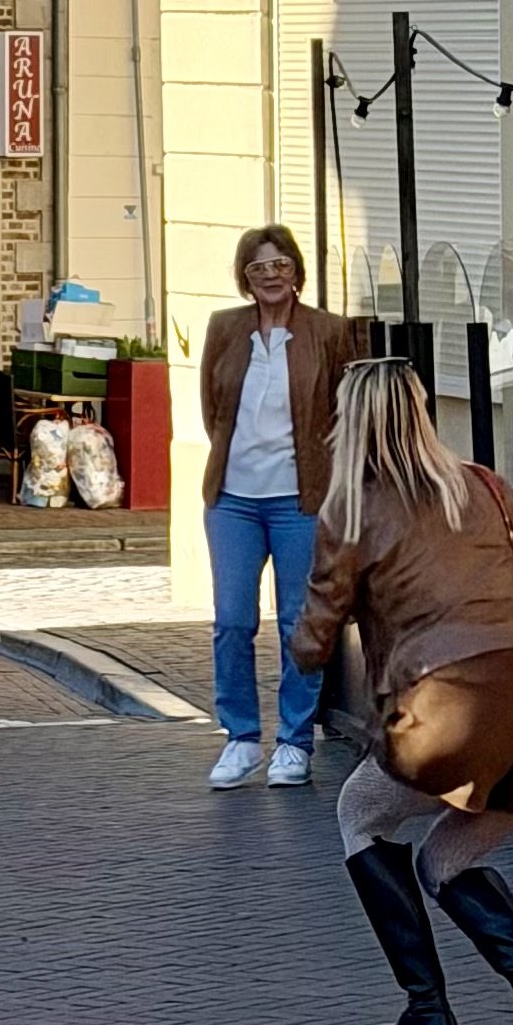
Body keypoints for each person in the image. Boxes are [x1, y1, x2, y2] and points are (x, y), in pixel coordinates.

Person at [288, 359, 513, 1025]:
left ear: (352, 421)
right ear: (422, 411)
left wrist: (310, 631)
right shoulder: (486, 485)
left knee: (359, 814)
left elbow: (314, 642)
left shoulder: (352, 509)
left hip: (449, 708)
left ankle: (427, 1013)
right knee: (446, 858)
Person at [197, 224, 353, 788]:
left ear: (296, 271)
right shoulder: (224, 328)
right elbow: (212, 409)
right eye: (258, 268)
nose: (271, 276)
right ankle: (240, 738)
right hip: (232, 500)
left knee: (297, 623)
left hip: (299, 501)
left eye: (280, 264)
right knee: (232, 622)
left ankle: (294, 742)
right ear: (245, 277)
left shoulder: (328, 332)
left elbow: (343, 412)